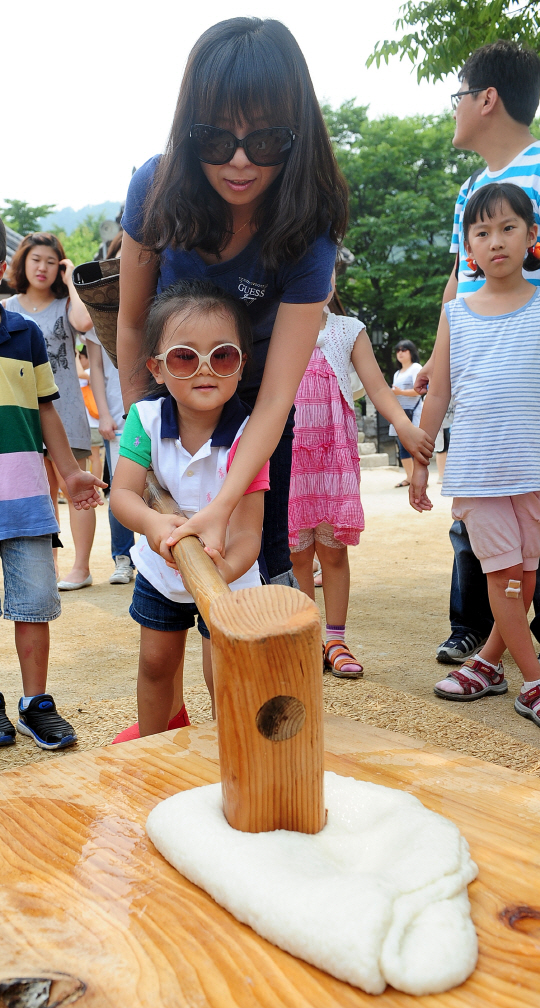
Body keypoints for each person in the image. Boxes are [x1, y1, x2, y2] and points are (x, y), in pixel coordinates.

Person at [117, 17, 348, 587]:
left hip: (254, 407)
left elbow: (275, 399)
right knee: (167, 586)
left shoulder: (311, 222)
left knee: (260, 578)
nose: (240, 162)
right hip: (171, 391)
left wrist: (223, 504)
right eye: (216, 139)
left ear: (297, 133)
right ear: (189, 131)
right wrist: (139, 430)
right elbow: (129, 324)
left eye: (265, 140)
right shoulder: (156, 187)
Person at [413, 41, 540, 664]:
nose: (455, 109)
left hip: (527, 371)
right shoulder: (470, 190)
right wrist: (440, 362)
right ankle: (473, 633)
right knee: (478, 510)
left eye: (458, 96)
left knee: (528, 518)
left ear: (486, 99)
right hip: (478, 369)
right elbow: (455, 278)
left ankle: (502, 650)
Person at [110, 279, 270, 739]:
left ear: (242, 366)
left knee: (224, 671)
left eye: (222, 355)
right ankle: (155, 740)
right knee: (156, 663)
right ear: (157, 368)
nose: (205, 369)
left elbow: (248, 534)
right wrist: (153, 523)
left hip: (229, 579)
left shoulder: (250, 436)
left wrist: (222, 572)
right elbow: (122, 494)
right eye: (185, 356)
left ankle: (232, 751)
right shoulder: (145, 419)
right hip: (160, 572)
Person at [410, 183, 540, 729]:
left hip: (533, 467)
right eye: (482, 232)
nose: (495, 240)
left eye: (508, 227)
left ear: (532, 236)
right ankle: (535, 681)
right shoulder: (456, 314)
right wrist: (419, 459)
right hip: (481, 470)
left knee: (526, 574)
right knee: (502, 573)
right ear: (468, 249)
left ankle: (488, 662)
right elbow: (437, 391)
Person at [290, 284, 434, 678]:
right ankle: (307, 639)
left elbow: (376, 386)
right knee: (296, 554)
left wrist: (404, 426)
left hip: (333, 454)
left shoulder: (347, 329)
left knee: (333, 550)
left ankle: (336, 638)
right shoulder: (273, 324)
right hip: (287, 454)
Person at [0, 220, 106, 750]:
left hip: (25, 499)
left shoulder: (26, 335)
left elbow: (46, 412)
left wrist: (69, 472)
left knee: (34, 602)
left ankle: (34, 703)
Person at [3, 233, 98, 590]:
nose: (42, 268)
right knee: (43, 493)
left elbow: (85, 322)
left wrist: (72, 277)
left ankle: (82, 567)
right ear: (22, 263)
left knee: (77, 488)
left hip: (66, 410)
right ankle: (51, 565)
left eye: (50, 261)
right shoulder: (10, 307)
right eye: (35, 260)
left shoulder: (64, 306)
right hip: (24, 416)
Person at [389, 340, 423, 488]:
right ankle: (409, 477)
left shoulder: (416, 368)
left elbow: (421, 390)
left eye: (404, 350)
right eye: (398, 350)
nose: (400, 353)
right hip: (399, 412)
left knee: (415, 445)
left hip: (414, 411)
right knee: (402, 445)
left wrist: (400, 392)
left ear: (411, 352)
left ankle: (420, 477)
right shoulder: (397, 373)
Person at [77, 345, 104, 481]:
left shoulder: (89, 371)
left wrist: (74, 356)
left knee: (94, 457)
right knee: (92, 457)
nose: (80, 360)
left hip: (93, 423)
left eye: (81, 357)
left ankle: (96, 486)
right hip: (88, 422)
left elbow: (80, 373)